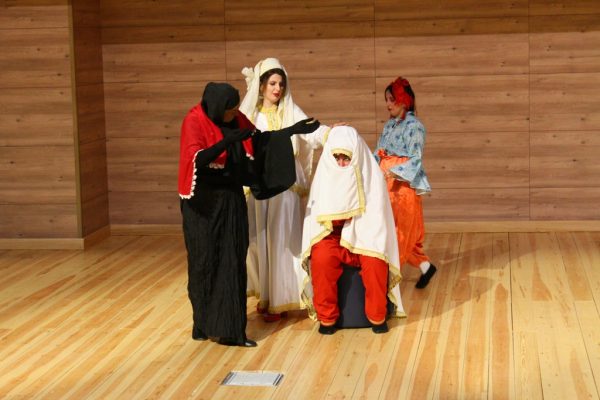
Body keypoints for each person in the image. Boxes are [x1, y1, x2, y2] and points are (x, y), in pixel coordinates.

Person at [178, 82, 320, 347]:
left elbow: (259, 140)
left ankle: (232, 331)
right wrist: (227, 140)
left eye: (235, 109)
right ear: (217, 107)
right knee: (202, 263)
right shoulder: (194, 121)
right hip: (201, 204)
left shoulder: (235, 119)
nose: (235, 114)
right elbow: (196, 159)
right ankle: (202, 322)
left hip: (229, 199)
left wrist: (292, 131)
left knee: (232, 260)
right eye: (231, 110)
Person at [239, 58, 333, 322]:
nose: (277, 89)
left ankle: (280, 300)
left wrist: (331, 134)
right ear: (261, 86)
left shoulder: (291, 111)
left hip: (285, 186)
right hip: (261, 186)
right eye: (272, 83)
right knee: (261, 241)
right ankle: (267, 297)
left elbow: (311, 131)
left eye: (281, 84)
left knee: (282, 241)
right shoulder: (250, 116)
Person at [300, 126, 405, 335]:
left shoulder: (371, 177)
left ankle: (377, 316)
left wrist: (356, 230)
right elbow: (318, 223)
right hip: (332, 236)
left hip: (364, 235)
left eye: (346, 158)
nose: (341, 163)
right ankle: (327, 318)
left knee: (375, 262)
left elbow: (376, 221)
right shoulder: (325, 178)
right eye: (337, 158)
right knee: (321, 258)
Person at [373, 77, 437, 289]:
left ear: (403, 100)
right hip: (386, 185)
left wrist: (392, 171)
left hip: (403, 188)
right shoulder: (389, 125)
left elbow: (415, 159)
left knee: (401, 232)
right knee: (389, 228)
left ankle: (387, 280)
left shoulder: (415, 127)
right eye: (386, 100)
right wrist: (370, 167)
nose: (388, 104)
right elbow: (379, 151)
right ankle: (426, 267)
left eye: (391, 99)